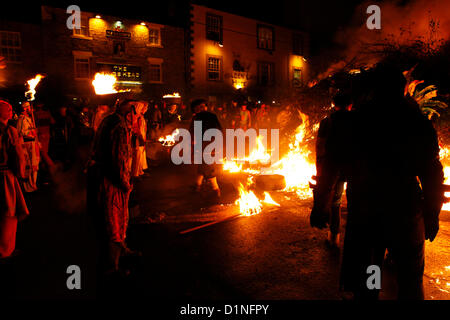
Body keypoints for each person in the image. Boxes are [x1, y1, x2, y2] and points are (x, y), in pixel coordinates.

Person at [310, 64, 445, 300]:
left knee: (368, 281)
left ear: (372, 89)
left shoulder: (356, 121)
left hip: (366, 213)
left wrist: (321, 204)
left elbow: (331, 165)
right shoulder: (416, 122)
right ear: (402, 89)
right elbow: (432, 172)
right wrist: (432, 214)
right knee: (409, 281)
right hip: (404, 213)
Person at [87, 99, 137, 276]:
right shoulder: (119, 126)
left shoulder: (108, 120)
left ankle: (121, 249)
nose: (135, 112)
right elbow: (119, 158)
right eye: (133, 108)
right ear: (126, 109)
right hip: (112, 181)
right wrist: (124, 182)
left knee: (114, 219)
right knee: (114, 221)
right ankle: (112, 266)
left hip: (102, 176)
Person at [315, 92, 353, 247]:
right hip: (354, 167)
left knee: (335, 203)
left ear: (334, 105)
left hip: (333, 167)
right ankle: (355, 241)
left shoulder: (327, 122)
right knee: (356, 203)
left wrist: (320, 170)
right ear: (350, 105)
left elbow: (320, 147)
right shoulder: (358, 121)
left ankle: (334, 237)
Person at [0, 100, 29, 258]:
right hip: (5, 176)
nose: (11, 111)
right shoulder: (9, 131)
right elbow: (18, 156)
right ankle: (5, 250)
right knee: (8, 214)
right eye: (8, 109)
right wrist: (20, 174)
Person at [189, 99, 222, 201]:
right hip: (202, 145)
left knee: (208, 167)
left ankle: (215, 189)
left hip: (209, 145)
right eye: (199, 107)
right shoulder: (196, 118)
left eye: (203, 106)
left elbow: (218, 130)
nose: (201, 108)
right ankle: (197, 186)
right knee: (203, 166)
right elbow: (193, 132)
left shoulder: (211, 117)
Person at [16, 101, 40, 192]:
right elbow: (22, 133)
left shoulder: (28, 119)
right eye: (30, 108)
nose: (32, 110)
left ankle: (33, 185)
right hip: (28, 146)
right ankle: (28, 187)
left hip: (33, 145)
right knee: (29, 167)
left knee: (34, 166)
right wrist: (32, 132)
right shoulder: (22, 120)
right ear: (25, 109)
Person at [131, 101, 148, 177]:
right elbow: (136, 129)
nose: (144, 109)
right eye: (142, 107)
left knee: (140, 156)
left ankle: (139, 171)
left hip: (140, 138)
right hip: (137, 139)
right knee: (136, 156)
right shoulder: (136, 117)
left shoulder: (140, 116)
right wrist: (140, 137)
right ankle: (135, 174)